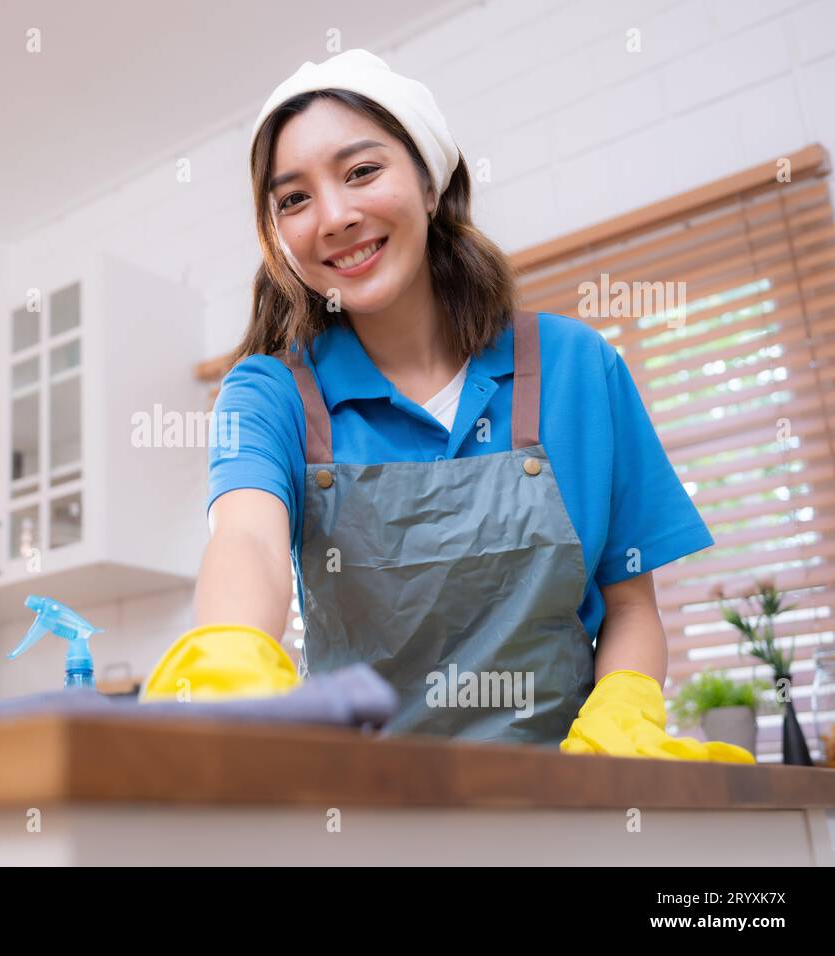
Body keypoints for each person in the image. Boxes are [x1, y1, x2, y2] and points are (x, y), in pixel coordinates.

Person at [143, 49, 750, 762]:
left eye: (361, 171)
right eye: (294, 199)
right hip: (369, 812)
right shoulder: (271, 394)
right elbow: (246, 540)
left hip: (566, 805)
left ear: (430, 185)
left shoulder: (577, 368)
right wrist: (230, 671)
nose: (334, 216)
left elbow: (631, 607)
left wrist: (618, 726)